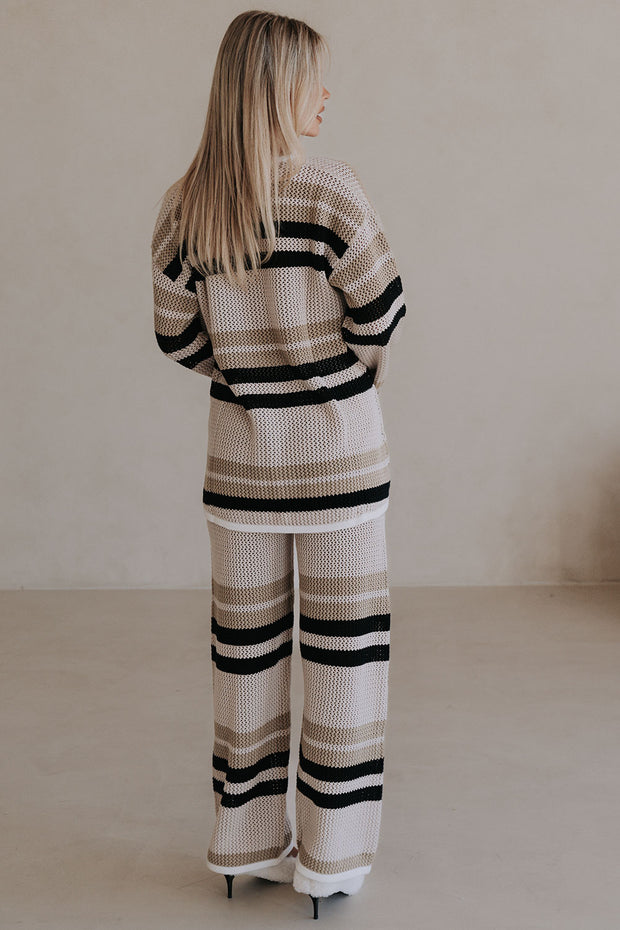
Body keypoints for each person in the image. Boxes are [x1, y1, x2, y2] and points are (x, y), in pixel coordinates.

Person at [150, 9, 406, 920]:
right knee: (344, 661)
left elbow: (177, 338)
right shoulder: (332, 192)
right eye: (312, 79)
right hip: (341, 466)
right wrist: (330, 378)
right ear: (274, 90)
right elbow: (382, 313)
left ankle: (246, 843)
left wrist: (251, 377)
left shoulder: (186, 205)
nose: (326, 95)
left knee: (247, 662)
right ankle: (331, 860)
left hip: (241, 473)